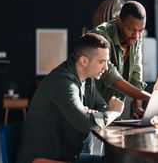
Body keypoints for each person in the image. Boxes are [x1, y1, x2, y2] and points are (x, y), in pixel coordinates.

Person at [16, 33, 124, 163]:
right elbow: (85, 122)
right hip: (42, 158)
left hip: (66, 156)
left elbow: (101, 106)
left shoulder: (88, 80)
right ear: (84, 61)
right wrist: (113, 112)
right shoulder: (62, 82)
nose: (106, 68)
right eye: (102, 62)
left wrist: (93, 114)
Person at [90, 1, 151, 118]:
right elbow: (111, 77)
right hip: (89, 108)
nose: (136, 35)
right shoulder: (100, 36)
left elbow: (136, 75)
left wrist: (138, 107)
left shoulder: (136, 38)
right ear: (119, 22)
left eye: (141, 30)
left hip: (113, 112)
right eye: (131, 29)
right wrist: (151, 99)